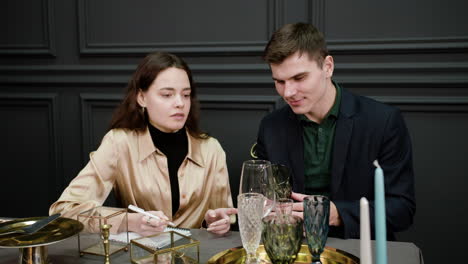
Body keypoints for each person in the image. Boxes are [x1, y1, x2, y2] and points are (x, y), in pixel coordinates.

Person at [254, 23, 415, 239]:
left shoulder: (383, 121)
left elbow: (402, 209)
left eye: (299, 78)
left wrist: (337, 214)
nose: (288, 92)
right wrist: (236, 217)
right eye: (279, 81)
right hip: (292, 248)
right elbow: (262, 200)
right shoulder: (271, 126)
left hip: (360, 248)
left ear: (328, 66)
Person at [50, 52, 236, 235]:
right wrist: (127, 221)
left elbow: (222, 216)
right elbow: (64, 211)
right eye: (167, 95)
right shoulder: (119, 143)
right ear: (142, 98)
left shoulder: (211, 149)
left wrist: (214, 221)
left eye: (186, 95)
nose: (180, 103)